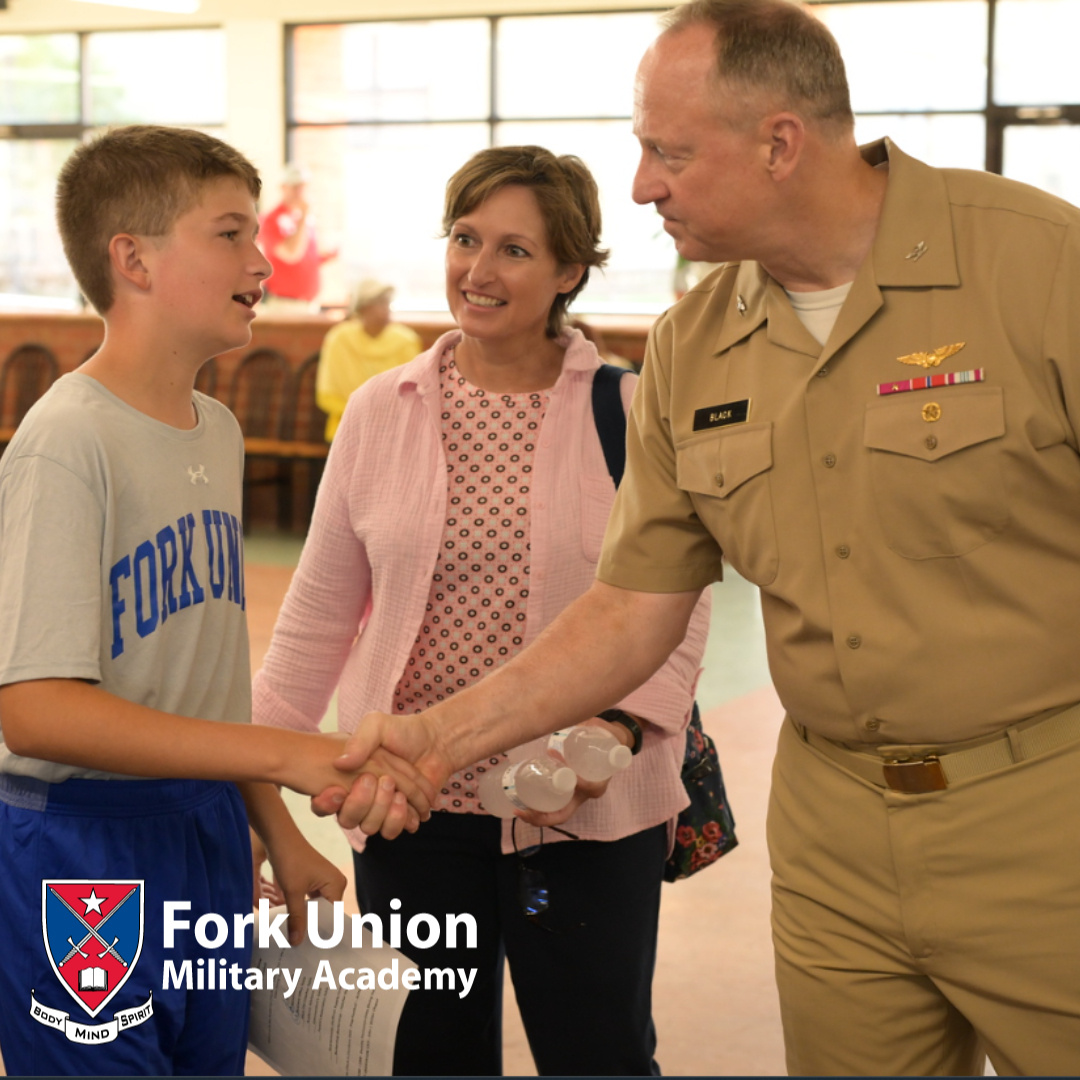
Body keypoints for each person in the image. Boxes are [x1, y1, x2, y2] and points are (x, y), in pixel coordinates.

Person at [318, 1, 1080, 1076]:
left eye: (668, 151)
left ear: (780, 143)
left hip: (1049, 815)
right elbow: (633, 608)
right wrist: (436, 738)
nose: (641, 186)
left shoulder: (1041, 266)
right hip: (832, 833)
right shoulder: (696, 344)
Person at [252, 144, 710, 1076]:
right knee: (426, 1055)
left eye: (514, 250)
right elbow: (316, 617)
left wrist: (619, 729)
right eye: (466, 239)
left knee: (600, 1051)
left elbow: (677, 594)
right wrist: (250, 799)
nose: (479, 271)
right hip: (411, 808)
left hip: (585, 811)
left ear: (570, 270)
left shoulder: (627, 409)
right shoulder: (383, 410)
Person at [0, 125, 429, 1077]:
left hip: (207, 834)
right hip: (84, 849)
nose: (262, 260)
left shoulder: (217, 429)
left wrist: (273, 827)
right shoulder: (65, 442)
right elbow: (34, 709)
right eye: (230, 234)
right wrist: (286, 752)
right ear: (135, 260)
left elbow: (205, 680)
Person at [315, 278, 422, 440]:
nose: (385, 309)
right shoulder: (339, 338)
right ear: (363, 307)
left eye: (387, 302)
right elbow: (327, 393)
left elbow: (412, 394)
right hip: (345, 426)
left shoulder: (406, 340)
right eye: (379, 303)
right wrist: (359, 415)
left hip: (393, 429)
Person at [259, 162, 338, 311]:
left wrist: (327, 256)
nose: (300, 192)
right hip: (284, 305)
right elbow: (291, 254)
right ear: (283, 187)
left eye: (303, 187)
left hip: (310, 304)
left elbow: (307, 257)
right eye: (295, 187)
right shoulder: (270, 220)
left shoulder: (305, 220)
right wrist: (304, 217)